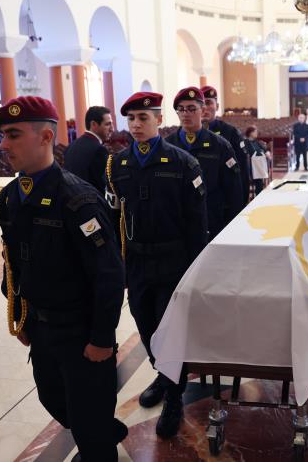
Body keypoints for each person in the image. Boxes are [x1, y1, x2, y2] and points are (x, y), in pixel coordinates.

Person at [0, 96, 127, 461]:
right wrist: (19, 314)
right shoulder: (10, 198)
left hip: (79, 331)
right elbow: (12, 262)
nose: (3, 145)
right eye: (2, 135)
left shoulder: (78, 199)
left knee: (89, 423)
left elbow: (109, 274)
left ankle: (99, 441)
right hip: (40, 328)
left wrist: (101, 338)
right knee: (54, 399)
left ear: (46, 137)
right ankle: (102, 428)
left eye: (13, 135)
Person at [105, 91, 208, 438]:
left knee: (169, 331)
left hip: (173, 262)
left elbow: (196, 224)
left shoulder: (183, 164)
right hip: (137, 263)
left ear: (159, 120)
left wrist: (196, 270)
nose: (136, 125)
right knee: (146, 325)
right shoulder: (118, 165)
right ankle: (164, 376)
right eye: (131, 118)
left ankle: (174, 396)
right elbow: (113, 218)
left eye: (143, 118)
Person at [165, 87, 243, 239]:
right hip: (178, 224)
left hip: (213, 221)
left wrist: (232, 228)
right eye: (181, 109)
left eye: (191, 109)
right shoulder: (168, 146)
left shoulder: (220, 146)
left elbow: (234, 191)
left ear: (202, 110)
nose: (185, 113)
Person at [201, 86, 250, 203]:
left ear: (217, 106)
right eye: (201, 104)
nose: (204, 108)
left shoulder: (231, 133)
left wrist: (242, 203)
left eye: (208, 103)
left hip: (223, 201)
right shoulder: (189, 135)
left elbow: (242, 171)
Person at [63, 106, 113, 192]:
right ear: (93, 124)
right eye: (107, 124)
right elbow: (104, 186)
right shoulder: (99, 150)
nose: (112, 129)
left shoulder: (70, 146)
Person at [244, 125, 269, 196]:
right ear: (250, 133)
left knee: (259, 180)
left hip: (258, 165)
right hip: (250, 166)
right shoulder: (245, 142)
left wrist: (267, 152)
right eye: (255, 132)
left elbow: (264, 149)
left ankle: (259, 195)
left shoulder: (256, 142)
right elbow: (247, 153)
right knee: (259, 180)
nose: (257, 133)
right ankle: (258, 196)